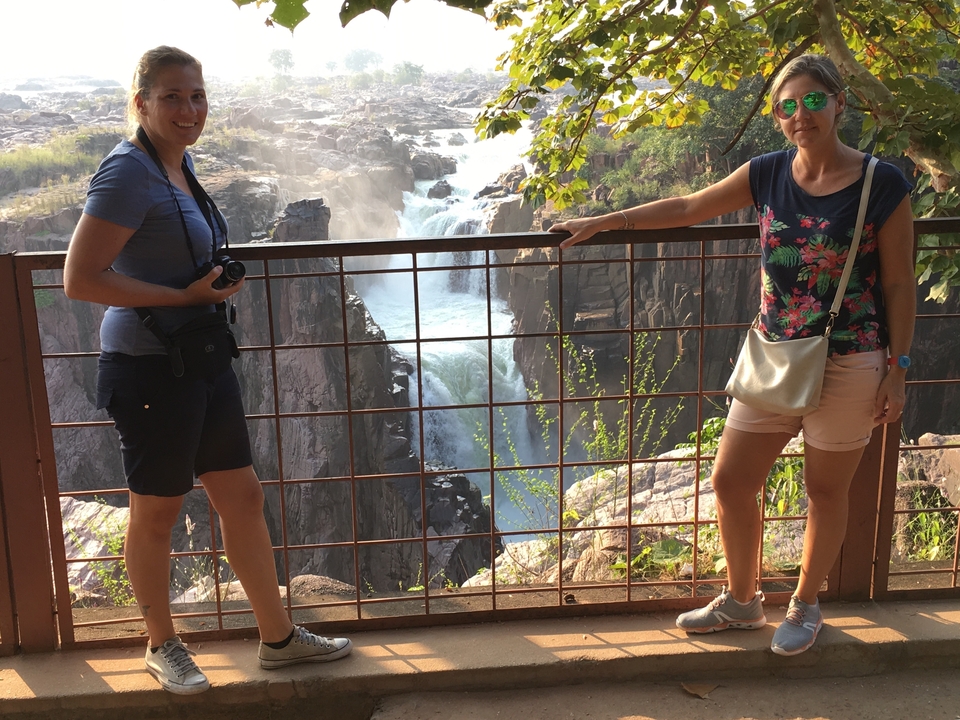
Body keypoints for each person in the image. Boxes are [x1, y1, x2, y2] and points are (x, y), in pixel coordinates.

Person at [550, 54, 915, 656]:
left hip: (853, 360)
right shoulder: (766, 173)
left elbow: (899, 283)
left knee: (826, 492)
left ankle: (805, 604)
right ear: (777, 117)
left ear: (839, 104)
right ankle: (743, 602)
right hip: (773, 353)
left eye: (814, 101)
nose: (802, 114)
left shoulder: (884, 183)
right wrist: (605, 221)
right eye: (788, 105)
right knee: (730, 480)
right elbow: (690, 208)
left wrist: (897, 371)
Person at [63, 46, 351, 695]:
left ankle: (278, 639)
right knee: (157, 511)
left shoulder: (177, 163)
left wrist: (202, 289)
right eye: (172, 97)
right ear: (141, 103)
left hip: (198, 356)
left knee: (242, 496)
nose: (189, 109)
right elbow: (79, 280)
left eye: (197, 96)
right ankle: (162, 644)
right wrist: (187, 297)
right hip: (147, 367)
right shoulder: (127, 172)